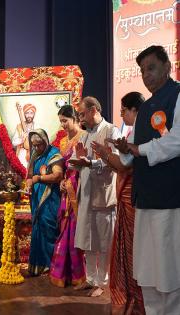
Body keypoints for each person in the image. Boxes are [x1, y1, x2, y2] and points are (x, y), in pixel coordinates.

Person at [113, 45, 180, 314]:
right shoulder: (145, 109)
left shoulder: (177, 96)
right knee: (149, 270)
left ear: (167, 67)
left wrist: (139, 150)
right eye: (142, 71)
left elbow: (176, 140)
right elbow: (131, 156)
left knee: (170, 270)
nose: (146, 75)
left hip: (170, 200)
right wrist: (120, 150)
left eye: (151, 68)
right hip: (145, 200)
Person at [92, 92, 145, 314]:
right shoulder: (134, 133)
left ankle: (137, 298)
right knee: (128, 251)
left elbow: (124, 166)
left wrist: (105, 153)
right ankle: (133, 296)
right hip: (129, 198)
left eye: (123, 110)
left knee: (134, 252)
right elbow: (124, 165)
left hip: (134, 199)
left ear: (135, 110)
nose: (121, 114)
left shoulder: (140, 132)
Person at [69, 96, 120, 297]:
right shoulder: (84, 135)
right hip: (87, 193)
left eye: (82, 114)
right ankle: (90, 279)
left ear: (93, 110)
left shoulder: (111, 130)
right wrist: (78, 161)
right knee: (88, 238)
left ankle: (102, 281)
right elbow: (81, 161)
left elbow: (115, 162)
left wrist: (90, 163)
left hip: (104, 194)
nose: (80, 119)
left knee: (105, 240)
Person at [49, 105, 86, 288]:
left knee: (76, 231)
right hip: (66, 188)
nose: (63, 124)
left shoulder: (83, 137)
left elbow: (85, 165)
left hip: (80, 189)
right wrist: (62, 182)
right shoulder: (63, 142)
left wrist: (72, 183)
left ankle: (80, 275)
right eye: (61, 121)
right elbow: (62, 168)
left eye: (65, 120)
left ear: (74, 119)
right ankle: (65, 274)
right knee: (65, 228)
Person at [26, 128, 63, 277]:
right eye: (34, 145)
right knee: (38, 231)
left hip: (49, 200)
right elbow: (30, 175)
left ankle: (50, 266)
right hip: (36, 198)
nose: (36, 148)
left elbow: (58, 175)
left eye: (39, 144)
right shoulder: (35, 155)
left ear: (46, 141)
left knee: (48, 230)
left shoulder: (54, 154)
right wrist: (29, 182)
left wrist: (39, 179)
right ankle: (37, 265)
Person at [12, 103, 38, 169]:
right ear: (24, 114)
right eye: (27, 113)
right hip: (22, 155)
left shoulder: (37, 126)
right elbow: (14, 142)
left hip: (35, 154)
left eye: (31, 113)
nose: (29, 115)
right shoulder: (19, 126)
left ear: (34, 114)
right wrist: (21, 139)